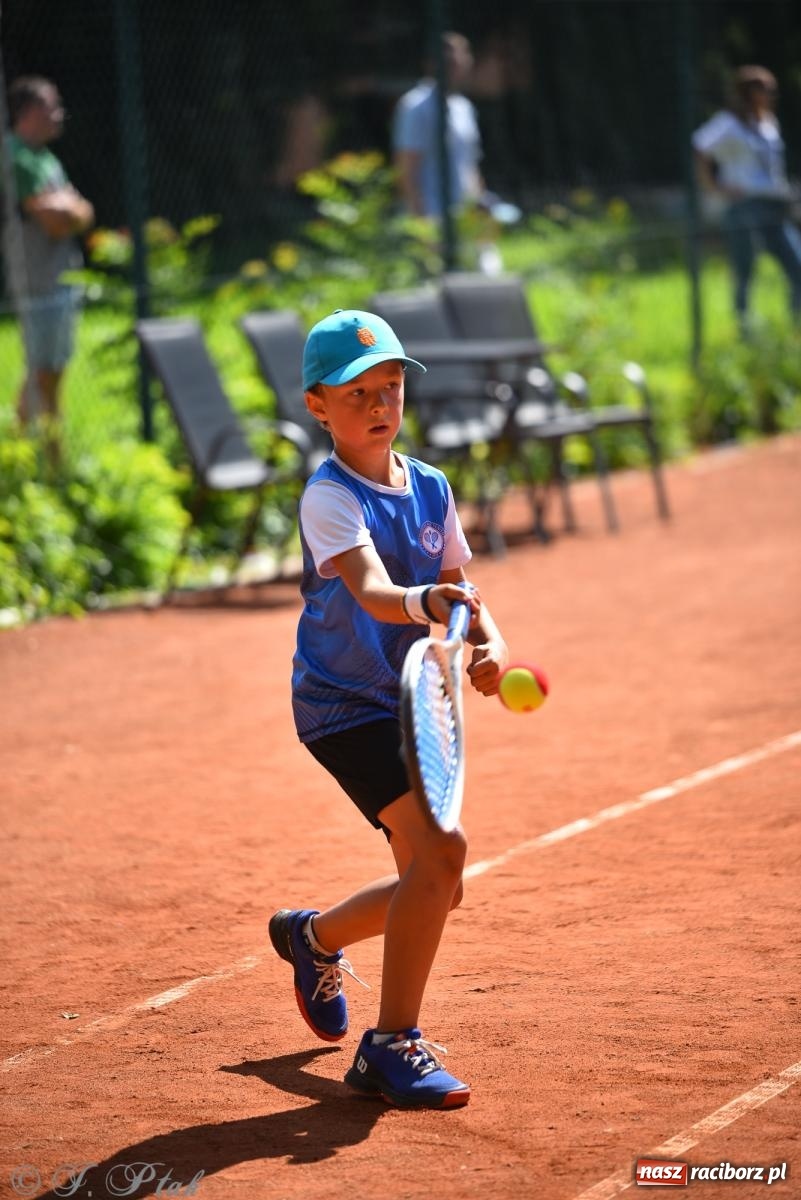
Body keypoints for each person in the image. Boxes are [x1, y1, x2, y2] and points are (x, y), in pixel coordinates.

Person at [270, 308, 509, 1109]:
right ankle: (387, 1047)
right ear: (316, 406)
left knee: (437, 882)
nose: (378, 405)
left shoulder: (432, 486)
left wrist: (489, 642)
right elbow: (376, 593)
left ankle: (312, 937)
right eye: (357, 392)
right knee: (442, 861)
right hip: (342, 704)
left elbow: (463, 592)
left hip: (412, 700)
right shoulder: (328, 497)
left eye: (391, 388)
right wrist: (429, 603)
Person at [4, 76, 94, 449]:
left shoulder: (45, 158)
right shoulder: (17, 156)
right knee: (41, 376)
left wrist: (71, 207)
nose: (59, 114)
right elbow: (56, 223)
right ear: (27, 112)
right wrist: (70, 207)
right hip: (38, 284)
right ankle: (26, 455)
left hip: (60, 281)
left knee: (52, 374)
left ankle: (46, 457)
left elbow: (84, 213)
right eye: (50, 106)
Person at [692, 65, 801, 329]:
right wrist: (714, 186)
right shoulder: (728, 122)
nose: (770, 94)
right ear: (747, 91)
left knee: (796, 264)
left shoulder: (767, 122)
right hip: (744, 205)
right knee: (745, 270)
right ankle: (745, 328)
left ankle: (795, 327)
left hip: (774, 204)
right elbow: (699, 146)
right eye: (765, 89)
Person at [392, 31, 485, 221]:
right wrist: (421, 221)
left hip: (466, 217)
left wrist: (479, 208)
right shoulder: (414, 106)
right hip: (433, 218)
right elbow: (405, 168)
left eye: (461, 59)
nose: (457, 66)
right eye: (450, 62)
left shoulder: (463, 107)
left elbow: (470, 164)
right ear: (430, 64)